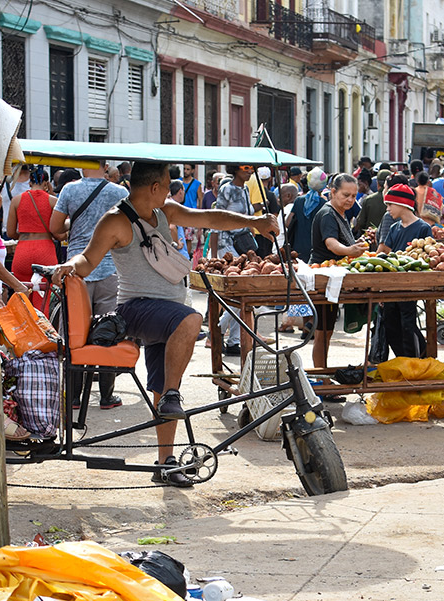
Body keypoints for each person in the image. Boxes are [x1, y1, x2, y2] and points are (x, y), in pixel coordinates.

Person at [51, 161, 278, 486]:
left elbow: (210, 218)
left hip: (166, 316)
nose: (173, 193)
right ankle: (172, 395)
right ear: (155, 187)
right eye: (167, 186)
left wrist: (253, 221)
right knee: (192, 321)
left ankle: (165, 464)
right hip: (136, 310)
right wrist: (68, 265)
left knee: (160, 386)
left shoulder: (164, 212)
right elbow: (87, 260)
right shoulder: (116, 221)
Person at [51, 161, 129, 409]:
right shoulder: (119, 193)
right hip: (109, 269)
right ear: (105, 167)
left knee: (75, 332)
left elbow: (55, 227)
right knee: (107, 331)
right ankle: (106, 397)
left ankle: (74, 397)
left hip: (76, 272)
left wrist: (72, 225)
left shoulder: (69, 191)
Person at [309, 173, 369, 370]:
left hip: (332, 277)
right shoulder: (327, 214)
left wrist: (355, 245)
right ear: (333, 192)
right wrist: (349, 250)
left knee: (327, 331)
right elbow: (331, 243)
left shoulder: (340, 212)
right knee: (322, 332)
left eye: (354, 196)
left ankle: (323, 376)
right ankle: (321, 378)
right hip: (323, 279)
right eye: (346, 195)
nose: (351, 200)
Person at [377, 184, 431, 358]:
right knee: (391, 325)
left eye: (390, 204)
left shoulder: (423, 228)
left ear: (402, 204)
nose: (388, 209)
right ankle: (402, 359)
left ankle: (415, 360)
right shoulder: (394, 228)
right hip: (391, 287)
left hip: (410, 287)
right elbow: (386, 254)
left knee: (408, 325)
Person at [6, 167, 58, 309]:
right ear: (47, 183)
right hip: (45, 250)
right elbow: (58, 233)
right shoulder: (53, 201)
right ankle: (43, 329)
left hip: (23, 250)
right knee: (44, 298)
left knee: (22, 295)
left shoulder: (17, 200)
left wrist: (24, 235)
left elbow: (10, 232)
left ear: (29, 182)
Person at [215, 165, 256, 259]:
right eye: (246, 168)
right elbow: (215, 220)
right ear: (236, 169)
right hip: (227, 245)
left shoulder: (245, 189)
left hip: (243, 244)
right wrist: (214, 256)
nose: (250, 171)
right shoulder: (227, 189)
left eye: (252, 168)